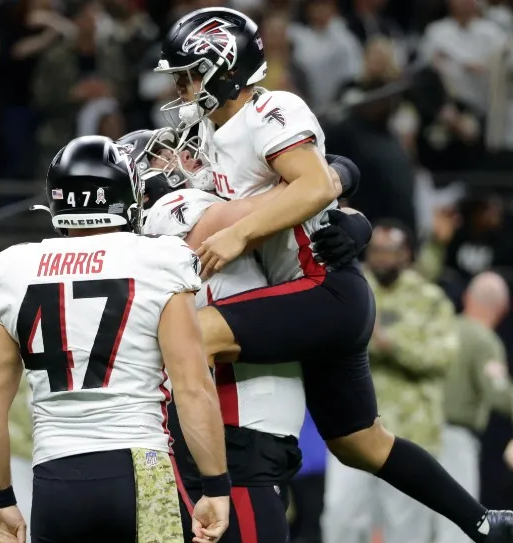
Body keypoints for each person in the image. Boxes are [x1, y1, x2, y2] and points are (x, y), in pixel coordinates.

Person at [155, 7, 513, 542]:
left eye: (188, 74)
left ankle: (190, 479)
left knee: (191, 336)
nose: (180, 87)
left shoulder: (269, 109)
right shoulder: (209, 136)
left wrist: (239, 234)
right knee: (359, 442)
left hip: (321, 290)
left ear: (224, 69)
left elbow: (318, 184)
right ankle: (484, 522)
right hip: (320, 297)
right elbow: (333, 177)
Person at [0, 135, 230, 543]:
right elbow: (193, 388)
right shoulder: (158, 260)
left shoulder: (14, 269)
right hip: (141, 464)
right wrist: (215, 487)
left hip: (54, 478)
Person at [127, 127, 366, 543]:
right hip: (230, 427)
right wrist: (336, 177)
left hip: (235, 430)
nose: (184, 155)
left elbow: (288, 219)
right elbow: (288, 202)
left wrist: (350, 221)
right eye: (162, 154)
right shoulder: (171, 209)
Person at [323, 220, 458, 543]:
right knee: (340, 518)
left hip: (411, 432)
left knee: (406, 529)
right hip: (351, 428)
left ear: (407, 254)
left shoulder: (430, 298)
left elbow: (443, 359)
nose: (382, 258)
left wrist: (390, 345)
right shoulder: (352, 287)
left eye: (391, 251)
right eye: (377, 251)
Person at [438, 271, 513, 543]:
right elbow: (499, 393)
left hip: (415, 437)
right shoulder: (484, 340)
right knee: (458, 526)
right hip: (454, 441)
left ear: (467, 298)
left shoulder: (440, 327)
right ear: (503, 309)